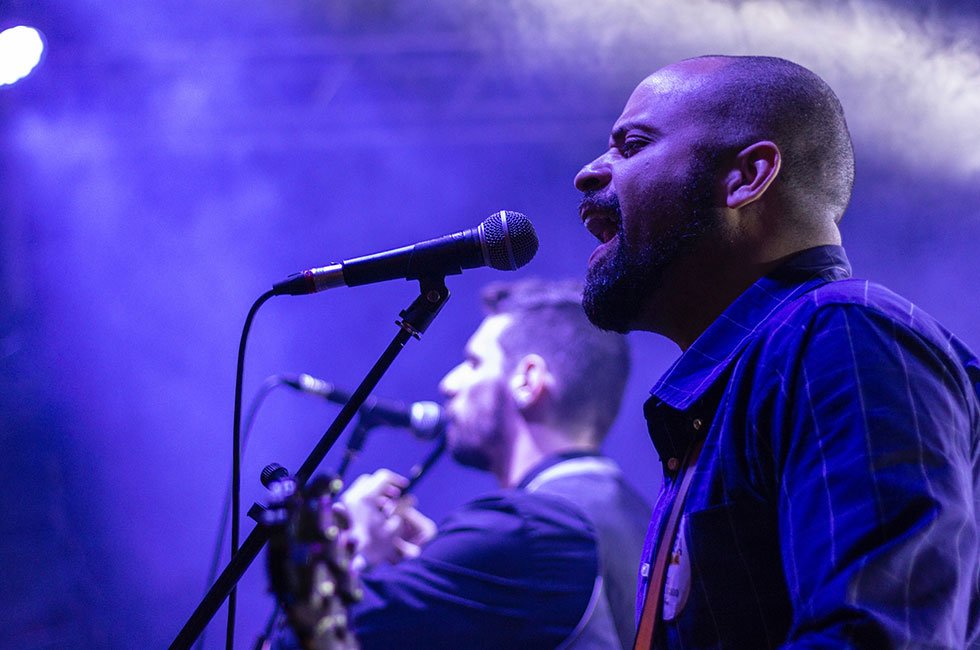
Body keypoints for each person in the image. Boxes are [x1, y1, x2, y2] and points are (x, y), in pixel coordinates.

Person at [573, 54, 980, 648]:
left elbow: (876, 636)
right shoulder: (757, 375)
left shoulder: (843, 334)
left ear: (748, 176)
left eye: (632, 146)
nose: (588, 172)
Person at [339, 278, 651, 649]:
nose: (448, 383)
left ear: (528, 380)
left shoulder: (523, 529)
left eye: (474, 363)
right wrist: (440, 561)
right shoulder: (643, 519)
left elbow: (315, 637)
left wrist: (355, 550)